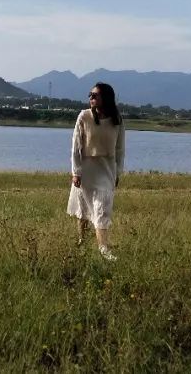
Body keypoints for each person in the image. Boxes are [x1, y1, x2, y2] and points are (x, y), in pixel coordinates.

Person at [67, 82, 125, 261]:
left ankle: (103, 249)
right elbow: (76, 147)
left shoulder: (117, 119)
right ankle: (81, 242)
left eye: (95, 95)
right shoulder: (84, 117)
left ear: (105, 98)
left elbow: (120, 149)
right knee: (83, 210)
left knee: (102, 209)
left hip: (106, 170)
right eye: (90, 94)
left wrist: (118, 173)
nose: (91, 98)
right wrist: (76, 172)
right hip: (86, 170)